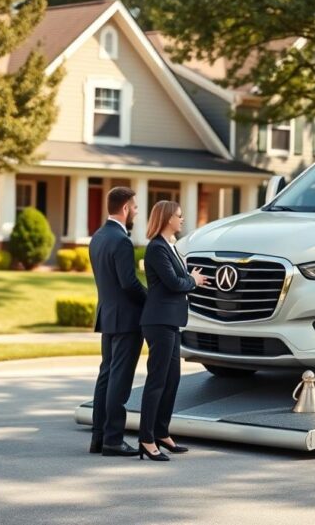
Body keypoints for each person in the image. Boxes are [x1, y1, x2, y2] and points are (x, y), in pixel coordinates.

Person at [137, 200, 209, 461]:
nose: (182, 219)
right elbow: (173, 283)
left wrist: (189, 275)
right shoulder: (156, 247)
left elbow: (178, 277)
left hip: (171, 321)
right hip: (158, 322)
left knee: (172, 379)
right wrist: (194, 280)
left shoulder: (171, 246)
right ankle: (146, 439)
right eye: (179, 216)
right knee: (157, 380)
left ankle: (161, 431)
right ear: (167, 218)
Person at [89, 187, 147, 457]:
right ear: (125, 208)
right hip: (126, 320)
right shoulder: (122, 241)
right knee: (119, 381)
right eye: (134, 207)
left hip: (107, 316)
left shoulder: (98, 237)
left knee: (106, 377)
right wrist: (151, 299)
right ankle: (113, 439)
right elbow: (129, 283)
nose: (136, 211)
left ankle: (99, 437)